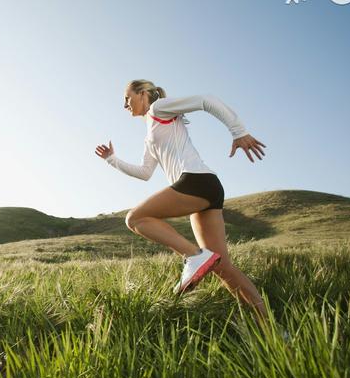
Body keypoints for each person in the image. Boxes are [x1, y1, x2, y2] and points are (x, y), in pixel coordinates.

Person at [95, 79, 269, 327]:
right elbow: (145, 173)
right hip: (204, 190)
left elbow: (206, 100)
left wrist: (238, 131)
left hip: (196, 182)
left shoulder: (159, 108)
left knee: (135, 219)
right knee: (222, 267)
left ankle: (193, 256)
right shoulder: (151, 133)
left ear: (143, 93)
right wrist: (112, 160)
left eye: (127, 97)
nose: (125, 104)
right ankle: (271, 329)